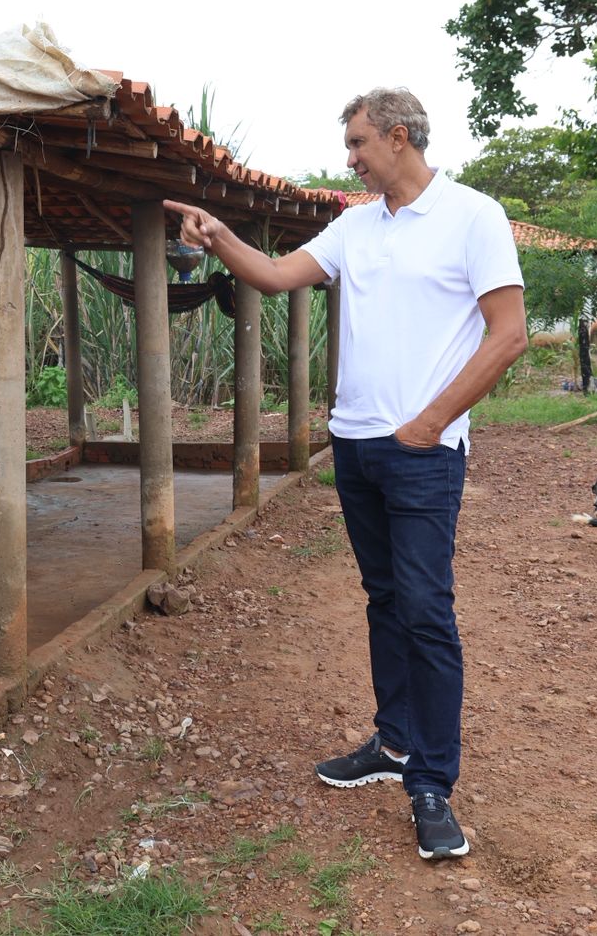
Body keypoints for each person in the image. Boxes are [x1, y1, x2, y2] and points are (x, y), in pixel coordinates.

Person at [164, 88, 527, 860]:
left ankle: (431, 783)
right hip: (356, 448)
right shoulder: (357, 226)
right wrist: (219, 237)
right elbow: (273, 275)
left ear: (399, 137)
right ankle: (393, 743)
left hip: (423, 453)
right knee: (385, 599)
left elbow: (508, 335)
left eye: (358, 143)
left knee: (426, 611)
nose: (350, 157)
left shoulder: (473, 216)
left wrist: (430, 422)